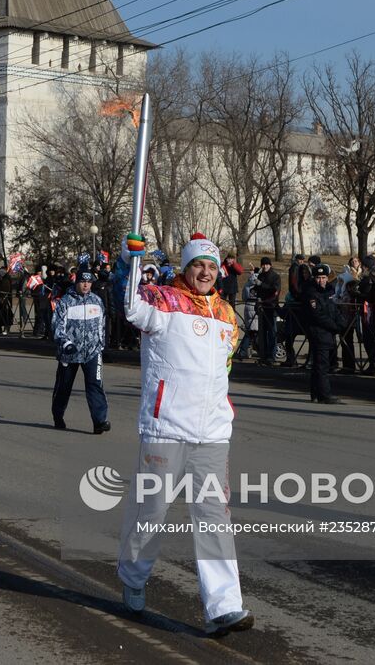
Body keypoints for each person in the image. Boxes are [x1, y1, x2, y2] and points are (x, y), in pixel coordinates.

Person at [115, 231, 253, 638]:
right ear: (186, 268)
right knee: (152, 510)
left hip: (212, 432)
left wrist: (220, 410)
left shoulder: (227, 313)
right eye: (198, 265)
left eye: (211, 266)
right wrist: (130, 261)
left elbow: (224, 368)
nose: (205, 272)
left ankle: (224, 606)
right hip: (166, 427)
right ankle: (133, 577)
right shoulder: (162, 301)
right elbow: (129, 306)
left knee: (213, 517)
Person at [50, 270, 109, 433]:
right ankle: (58, 415)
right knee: (64, 386)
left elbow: (101, 324)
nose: (85, 285)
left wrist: (101, 344)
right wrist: (66, 343)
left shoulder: (97, 301)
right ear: (76, 282)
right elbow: (57, 326)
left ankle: (99, 421)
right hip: (69, 353)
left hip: (92, 352)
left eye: (89, 282)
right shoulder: (66, 302)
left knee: (95, 385)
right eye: (82, 281)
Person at [302, 263, 343, 404]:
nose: (321, 280)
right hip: (318, 331)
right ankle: (325, 395)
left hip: (328, 332)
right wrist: (334, 326)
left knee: (318, 364)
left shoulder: (329, 291)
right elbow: (317, 315)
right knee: (322, 365)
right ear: (314, 278)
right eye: (318, 277)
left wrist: (342, 322)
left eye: (324, 277)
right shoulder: (310, 292)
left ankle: (315, 393)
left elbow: (334, 309)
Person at [254, 257, 281, 365]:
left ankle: (272, 355)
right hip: (262, 307)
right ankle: (264, 355)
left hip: (271, 306)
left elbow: (274, 290)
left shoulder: (275, 276)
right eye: (263, 264)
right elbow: (258, 289)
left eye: (267, 264)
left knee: (272, 332)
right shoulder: (261, 275)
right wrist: (254, 290)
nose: (265, 266)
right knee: (262, 333)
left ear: (270, 265)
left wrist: (261, 285)